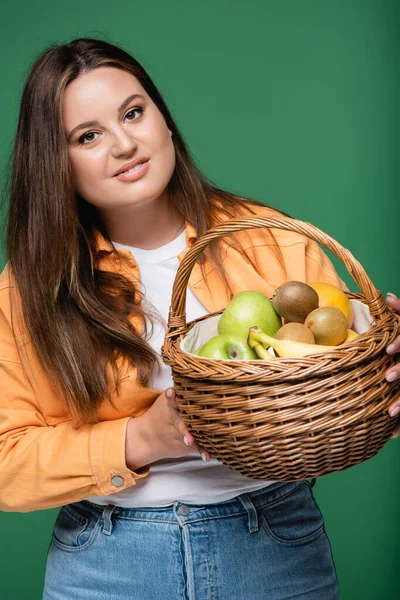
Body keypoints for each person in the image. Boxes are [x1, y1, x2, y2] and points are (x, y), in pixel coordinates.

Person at [0, 38, 398, 600]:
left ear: (163, 119)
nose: (124, 144)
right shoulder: (28, 290)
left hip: (274, 543)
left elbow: (335, 378)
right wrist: (140, 438)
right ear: (55, 161)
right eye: (87, 136)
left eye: (133, 113)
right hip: (107, 562)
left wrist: (380, 385)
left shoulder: (271, 241)